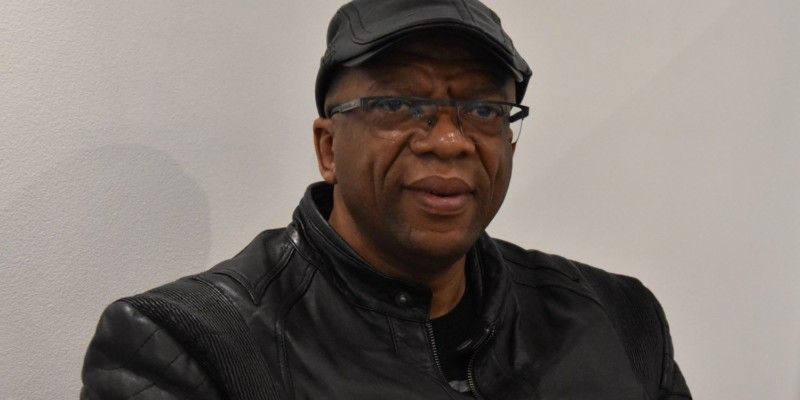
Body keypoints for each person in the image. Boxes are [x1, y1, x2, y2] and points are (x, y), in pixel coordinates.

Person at [81, 1, 692, 399]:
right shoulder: (186, 349)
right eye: (399, 104)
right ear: (328, 148)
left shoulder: (618, 317)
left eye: (484, 109)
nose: (449, 141)